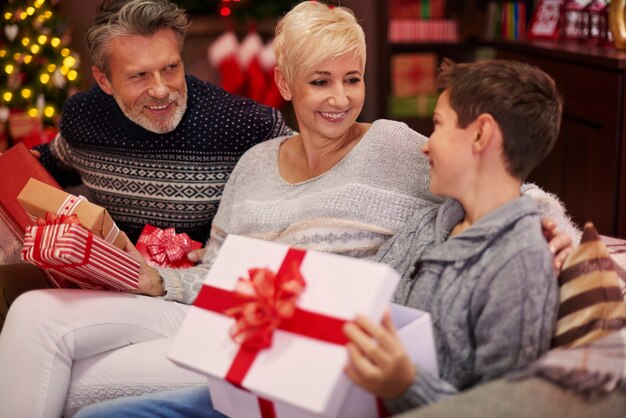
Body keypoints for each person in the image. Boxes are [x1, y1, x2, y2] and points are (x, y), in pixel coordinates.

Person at [0, 2, 574, 417]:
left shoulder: (396, 146)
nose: (340, 97)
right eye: (320, 81)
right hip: (215, 312)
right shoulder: (253, 162)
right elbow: (214, 272)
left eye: (352, 79)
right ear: (285, 83)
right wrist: (152, 279)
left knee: (75, 384)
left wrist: (553, 226)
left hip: (293, 343)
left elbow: (497, 182)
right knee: (32, 315)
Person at [0, 0, 292, 330]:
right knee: (19, 303)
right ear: (104, 80)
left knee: (36, 321)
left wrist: (237, 247)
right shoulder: (84, 118)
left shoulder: (242, 123)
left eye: (170, 68)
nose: (160, 89)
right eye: (139, 75)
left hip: (196, 299)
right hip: (112, 285)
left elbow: (307, 181)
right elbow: (59, 159)